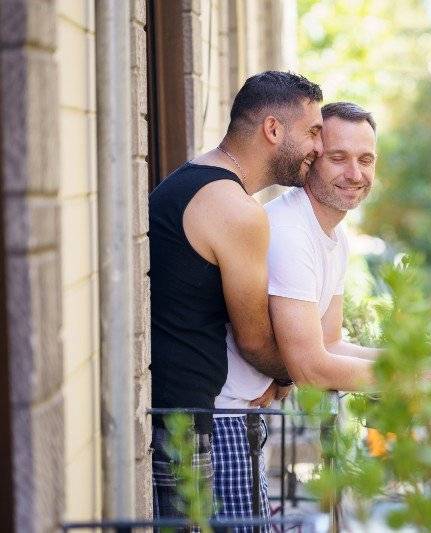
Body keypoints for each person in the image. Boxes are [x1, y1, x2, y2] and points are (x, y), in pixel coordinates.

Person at [148, 71, 323, 521]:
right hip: (182, 425)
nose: (318, 149)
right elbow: (255, 340)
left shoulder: (196, 179)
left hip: (174, 414)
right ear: (272, 129)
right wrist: (294, 371)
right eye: (314, 132)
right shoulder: (236, 210)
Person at [212, 102, 381, 528]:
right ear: (311, 159)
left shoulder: (333, 236)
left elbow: (329, 344)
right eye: (338, 158)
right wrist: (405, 378)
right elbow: (310, 366)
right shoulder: (288, 230)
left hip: (251, 420)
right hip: (224, 419)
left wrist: (405, 360)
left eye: (365, 160)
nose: (355, 174)